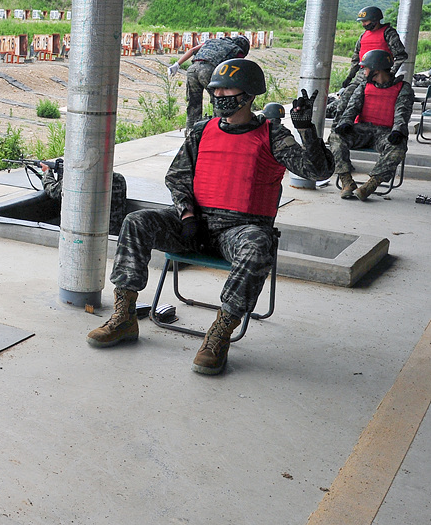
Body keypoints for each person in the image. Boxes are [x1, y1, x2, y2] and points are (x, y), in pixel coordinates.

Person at [87, 59, 333, 375]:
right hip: (195, 225)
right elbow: (177, 177)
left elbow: (319, 170)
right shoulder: (202, 130)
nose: (219, 95)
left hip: (240, 231)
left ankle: (220, 333)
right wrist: (187, 217)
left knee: (259, 244)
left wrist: (306, 129)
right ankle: (124, 317)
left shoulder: (272, 135)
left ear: (249, 93)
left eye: (227, 88)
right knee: (137, 221)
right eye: (215, 89)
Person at [330, 49, 414, 201]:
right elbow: (352, 108)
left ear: (377, 69)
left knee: (399, 145)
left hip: (385, 133)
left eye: (366, 68)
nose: (364, 71)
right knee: (336, 136)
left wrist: (398, 131)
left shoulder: (403, 88)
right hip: (363, 130)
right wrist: (345, 123)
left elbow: (402, 112)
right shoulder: (363, 86)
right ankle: (347, 182)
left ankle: (370, 185)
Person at [169, 35, 251, 129]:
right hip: (209, 70)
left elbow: (192, 50)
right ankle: (219, 127)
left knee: (193, 102)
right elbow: (237, 68)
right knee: (219, 100)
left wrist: (177, 64)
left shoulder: (212, 41)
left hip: (192, 69)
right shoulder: (236, 50)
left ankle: (191, 130)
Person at [39, 159, 128, 237]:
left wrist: (47, 172)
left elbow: (53, 191)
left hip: (87, 235)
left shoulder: (80, 179)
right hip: (114, 233)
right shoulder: (119, 178)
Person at [343, 6, 406, 89]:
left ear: (375, 20)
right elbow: (356, 58)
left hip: (380, 75)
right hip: (363, 74)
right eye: (362, 22)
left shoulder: (388, 33)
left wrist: (391, 73)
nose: (363, 24)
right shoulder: (363, 36)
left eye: (365, 21)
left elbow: (401, 56)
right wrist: (350, 77)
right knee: (348, 95)